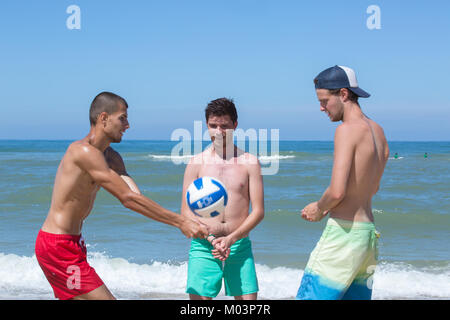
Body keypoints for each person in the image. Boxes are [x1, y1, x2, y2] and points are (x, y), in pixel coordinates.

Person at [35, 91, 208, 300]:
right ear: (103, 118)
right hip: (57, 247)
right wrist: (180, 221)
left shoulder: (111, 157)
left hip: (73, 242)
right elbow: (127, 199)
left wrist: (187, 221)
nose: (127, 125)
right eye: (122, 118)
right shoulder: (83, 152)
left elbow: (135, 195)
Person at [296, 66, 389, 300]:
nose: (321, 108)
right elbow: (372, 187)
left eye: (325, 100)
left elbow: (337, 191)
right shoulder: (378, 132)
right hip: (367, 237)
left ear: (344, 94)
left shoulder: (346, 131)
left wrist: (318, 208)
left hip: (344, 236)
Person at [181, 98, 265, 300]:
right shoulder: (196, 163)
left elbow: (259, 211)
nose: (218, 132)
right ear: (206, 126)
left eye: (224, 126)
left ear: (235, 125)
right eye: (213, 126)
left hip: (239, 245)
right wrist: (212, 239)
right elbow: (185, 213)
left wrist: (230, 239)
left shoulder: (250, 163)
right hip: (203, 245)